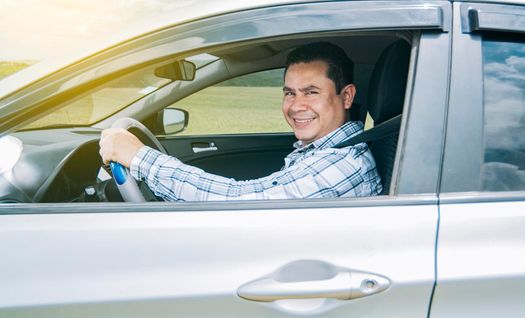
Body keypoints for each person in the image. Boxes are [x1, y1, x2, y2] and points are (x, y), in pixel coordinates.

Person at [99, 42, 382, 201]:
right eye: (289, 93)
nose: (296, 106)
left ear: (346, 97)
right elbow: (259, 192)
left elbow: (238, 204)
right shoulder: (324, 151)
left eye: (311, 92)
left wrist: (139, 157)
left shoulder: (343, 164)